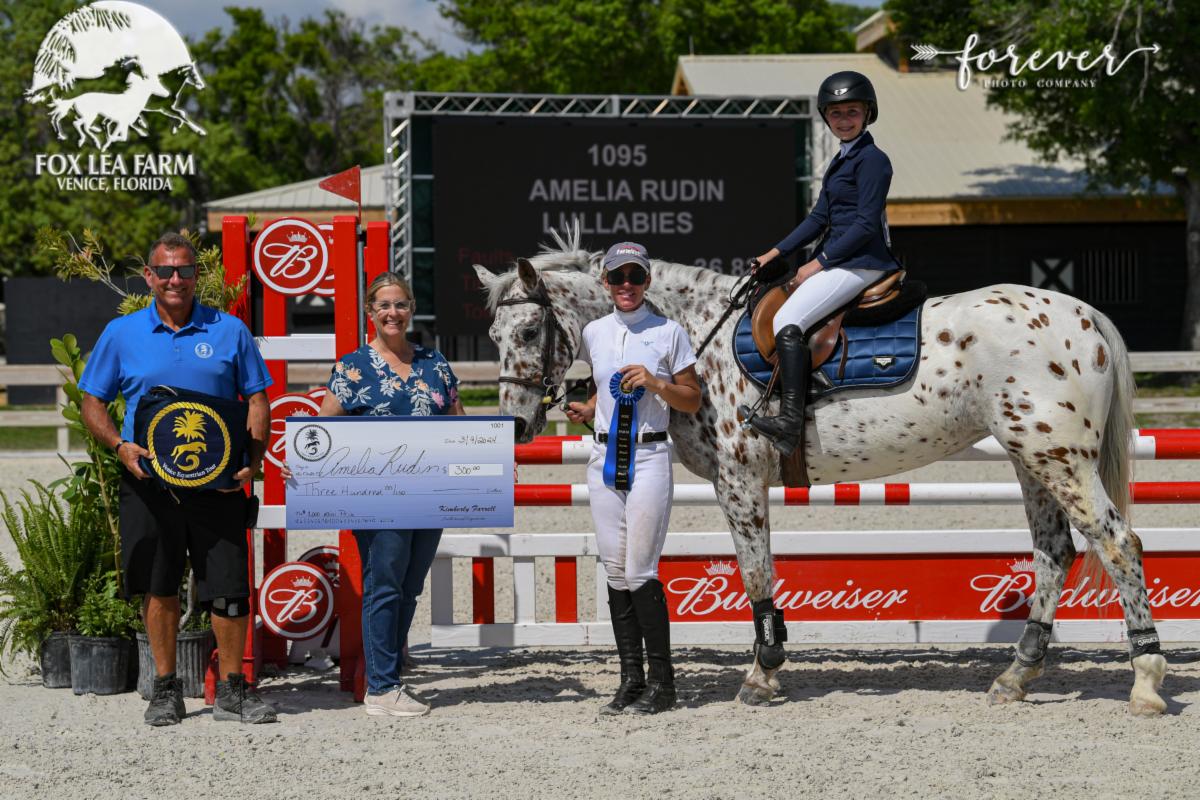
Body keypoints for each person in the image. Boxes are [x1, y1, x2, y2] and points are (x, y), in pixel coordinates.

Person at [79, 232, 275, 726]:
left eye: (184, 271)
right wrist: (120, 446)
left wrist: (253, 461)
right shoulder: (121, 333)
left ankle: (233, 690)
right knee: (158, 584)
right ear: (148, 276)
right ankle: (166, 689)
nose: (175, 280)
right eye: (165, 271)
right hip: (150, 483)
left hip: (219, 485)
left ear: (196, 276)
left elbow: (257, 399)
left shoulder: (230, 331)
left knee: (229, 589)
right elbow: (92, 402)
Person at [285, 272, 464, 718]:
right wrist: (303, 462)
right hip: (376, 497)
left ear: (412, 309)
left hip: (430, 494)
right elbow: (323, 429)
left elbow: (459, 423)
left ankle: (389, 671)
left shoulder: (435, 363)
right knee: (384, 585)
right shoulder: (352, 367)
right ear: (371, 312)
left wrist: (491, 459)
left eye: (400, 304)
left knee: (409, 588)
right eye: (384, 305)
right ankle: (382, 687)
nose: (393, 312)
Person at [565, 242, 701, 715]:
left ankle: (663, 682)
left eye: (635, 276)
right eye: (618, 277)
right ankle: (631, 679)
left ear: (647, 281)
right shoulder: (593, 333)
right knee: (616, 570)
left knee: (641, 569)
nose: (627, 285)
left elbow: (691, 399)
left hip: (648, 457)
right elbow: (603, 389)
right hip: (603, 456)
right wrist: (589, 409)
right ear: (605, 282)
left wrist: (657, 383)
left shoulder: (669, 332)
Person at [749, 71, 902, 457]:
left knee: (787, 320)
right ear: (826, 117)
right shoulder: (841, 160)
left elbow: (866, 224)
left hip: (862, 262)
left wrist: (819, 262)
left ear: (868, 113)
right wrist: (776, 252)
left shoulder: (873, 160)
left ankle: (789, 423)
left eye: (852, 111)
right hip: (843, 260)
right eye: (836, 113)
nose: (844, 119)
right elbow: (819, 218)